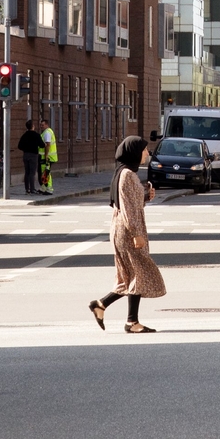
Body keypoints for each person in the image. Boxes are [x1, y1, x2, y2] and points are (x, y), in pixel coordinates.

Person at [91, 137, 165, 334]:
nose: (147, 153)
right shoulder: (128, 175)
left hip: (121, 228)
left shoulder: (123, 172)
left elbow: (131, 201)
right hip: (127, 230)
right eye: (145, 150)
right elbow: (128, 208)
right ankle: (130, 321)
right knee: (139, 271)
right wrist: (135, 233)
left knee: (132, 274)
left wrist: (145, 195)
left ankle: (106, 306)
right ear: (134, 152)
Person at [18, 117, 43, 195]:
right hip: (33, 155)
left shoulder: (24, 135)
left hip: (26, 155)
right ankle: (32, 189)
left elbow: (19, 146)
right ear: (33, 126)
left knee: (27, 172)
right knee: (32, 173)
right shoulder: (36, 135)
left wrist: (25, 149)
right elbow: (42, 145)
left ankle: (27, 189)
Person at [38, 119, 57, 195]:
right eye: (40, 125)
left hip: (46, 157)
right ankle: (43, 187)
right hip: (48, 156)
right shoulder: (48, 131)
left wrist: (46, 155)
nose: (41, 126)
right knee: (44, 172)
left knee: (46, 172)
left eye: (42, 125)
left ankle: (49, 189)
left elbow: (48, 144)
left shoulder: (47, 133)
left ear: (46, 125)